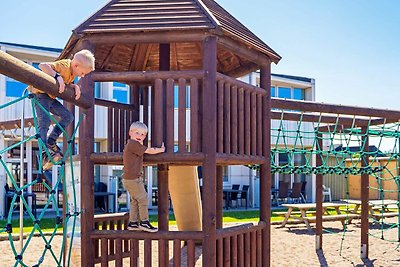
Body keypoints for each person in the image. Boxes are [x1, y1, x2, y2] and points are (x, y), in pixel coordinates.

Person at [31, 49, 95, 170]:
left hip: (50, 97)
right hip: (40, 95)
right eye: (82, 73)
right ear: (76, 65)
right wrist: (57, 76)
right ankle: (44, 154)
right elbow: (43, 66)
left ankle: (51, 140)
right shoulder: (64, 65)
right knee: (43, 122)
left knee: (68, 116)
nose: (83, 75)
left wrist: (74, 86)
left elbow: (66, 83)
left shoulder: (71, 74)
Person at [123, 121, 165, 232]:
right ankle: (144, 222)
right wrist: (161, 150)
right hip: (133, 179)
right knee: (143, 198)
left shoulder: (134, 145)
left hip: (130, 178)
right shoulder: (133, 144)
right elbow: (149, 150)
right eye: (137, 133)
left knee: (135, 200)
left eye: (143, 134)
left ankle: (133, 223)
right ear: (130, 133)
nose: (140, 136)